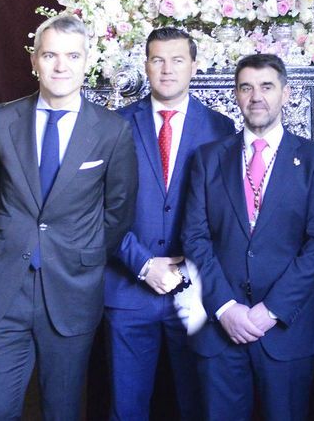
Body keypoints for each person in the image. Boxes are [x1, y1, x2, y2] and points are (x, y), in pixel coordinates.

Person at [0, 13, 138, 420]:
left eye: (72, 56)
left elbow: (118, 212)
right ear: (34, 61)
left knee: (62, 410)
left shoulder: (112, 130)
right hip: (5, 289)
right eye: (50, 55)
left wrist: (83, 254)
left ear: (87, 61)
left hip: (72, 289)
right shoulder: (1, 120)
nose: (61, 66)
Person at [181, 53, 314, 419]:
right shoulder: (208, 159)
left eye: (266, 87)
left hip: (287, 329)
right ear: (236, 94)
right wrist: (225, 308)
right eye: (246, 87)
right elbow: (195, 239)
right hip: (220, 328)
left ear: (286, 93)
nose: (256, 97)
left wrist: (272, 310)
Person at [104, 27, 236, 421]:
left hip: (194, 292)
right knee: (126, 409)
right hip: (128, 290)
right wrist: (143, 263)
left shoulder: (220, 128)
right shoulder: (115, 125)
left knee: (198, 405)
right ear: (145, 65)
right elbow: (99, 206)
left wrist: (188, 266)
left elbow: (224, 212)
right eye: (157, 60)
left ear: (194, 66)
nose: (166, 69)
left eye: (177, 60)